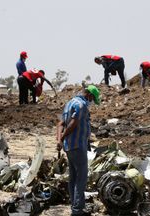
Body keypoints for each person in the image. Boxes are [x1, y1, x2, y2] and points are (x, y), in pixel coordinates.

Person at [56, 85, 100, 216]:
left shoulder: (69, 103)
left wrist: (59, 140)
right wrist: (63, 137)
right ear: (89, 96)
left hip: (69, 147)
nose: (92, 102)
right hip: (77, 146)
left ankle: (76, 207)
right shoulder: (82, 106)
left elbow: (60, 123)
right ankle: (77, 210)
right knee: (81, 178)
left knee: (73, 178)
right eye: (93, 99)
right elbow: (73, 124)